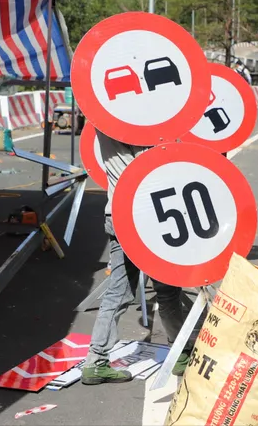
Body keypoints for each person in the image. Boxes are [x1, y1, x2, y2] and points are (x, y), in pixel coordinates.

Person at [81, 129, 204, 385]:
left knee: (119, 291)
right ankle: (180, 353)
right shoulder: (139, 123)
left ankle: (96, 360)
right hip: (148, 214)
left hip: (120, 214)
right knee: (167, 289)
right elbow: (150, 170)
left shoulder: (105, 120)